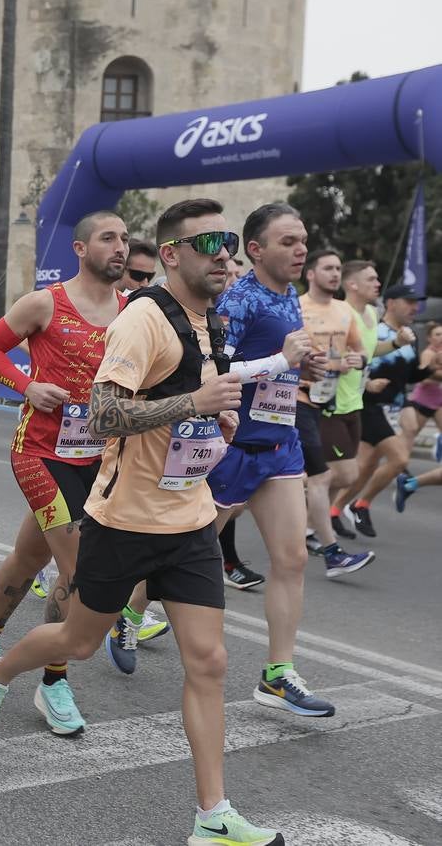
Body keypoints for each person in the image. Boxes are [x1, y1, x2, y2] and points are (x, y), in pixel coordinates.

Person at [0, 197, 284, 846]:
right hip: (123, 517)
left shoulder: (212, 325)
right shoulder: (142, 320)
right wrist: (192, 401)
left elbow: (188, 409)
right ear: (172, 255)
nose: (227, 253)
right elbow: (107, 414)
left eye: (230, 241)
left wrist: (214, 422)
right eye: (211, 242)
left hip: (188, 518)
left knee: (210, 661)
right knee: (78, 642)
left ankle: (212, 816)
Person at [0, 210, 130, 734]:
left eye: (125, 238)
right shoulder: (44, 303)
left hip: (98, 459)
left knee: (31, 556)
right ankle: (53, 682)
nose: (120, 247)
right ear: (80, 249)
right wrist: (26, 386)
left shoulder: (133, 311)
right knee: (78, 570)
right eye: (108, 238)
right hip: (40, 453)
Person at [204, 202, 338, 716]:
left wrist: (302, 367)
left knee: (293, 558)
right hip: (232, 446)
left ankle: (277, 674)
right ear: (255, 250)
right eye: (287, 241)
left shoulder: (289, 298)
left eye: (303, 239)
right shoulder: (239, 299)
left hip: (280, 444)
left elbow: (278, 365)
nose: (300, 248)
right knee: (185, 552)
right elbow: (218, 368)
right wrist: (284, 358)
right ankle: (130, 611)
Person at [293, 249, 375, 576]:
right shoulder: (298, 307)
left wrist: (359, 360)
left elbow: (358, 351)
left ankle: (305, 528)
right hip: (297, 398)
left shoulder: (343, 311)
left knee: (322, 475)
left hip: (325, 403)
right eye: (327, 268)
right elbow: (288, 355)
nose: (334, 274)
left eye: (338, 268)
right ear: (310, 274)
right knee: (324, 475)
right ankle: (331, 552)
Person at [335, 283, 427, 535]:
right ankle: (354, 506)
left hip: (393, 407)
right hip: (370, 404)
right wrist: (369, 383)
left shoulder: (410, 335)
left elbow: (411, 376)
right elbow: (362, 362)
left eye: (415, 302)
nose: (414, 307)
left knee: (364, 467)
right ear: (391, 303)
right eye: (408, 302)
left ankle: (336, 509)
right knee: (397, 459)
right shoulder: (377, 330)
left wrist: (432, 369)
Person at [325, 260, 384, 541]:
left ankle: (319, 522)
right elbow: (324, 350)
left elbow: (370, 351)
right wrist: (340, 362)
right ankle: (313, 524)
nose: (377, 283)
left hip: (355, 401)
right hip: (332, 402)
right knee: (342, 473)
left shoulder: (372, 313)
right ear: (352, 285)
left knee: (342, 474)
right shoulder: (341, 313)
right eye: (371, 279)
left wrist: (396, 344)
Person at [395, 322, 442, 508]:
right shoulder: (429, 353)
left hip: (438, 403)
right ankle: (397, 464)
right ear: (430, 338)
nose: (440, 338)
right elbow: (425, 376)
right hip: (422, 401)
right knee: (409, 437)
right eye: (437, 334)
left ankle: (438, 443)